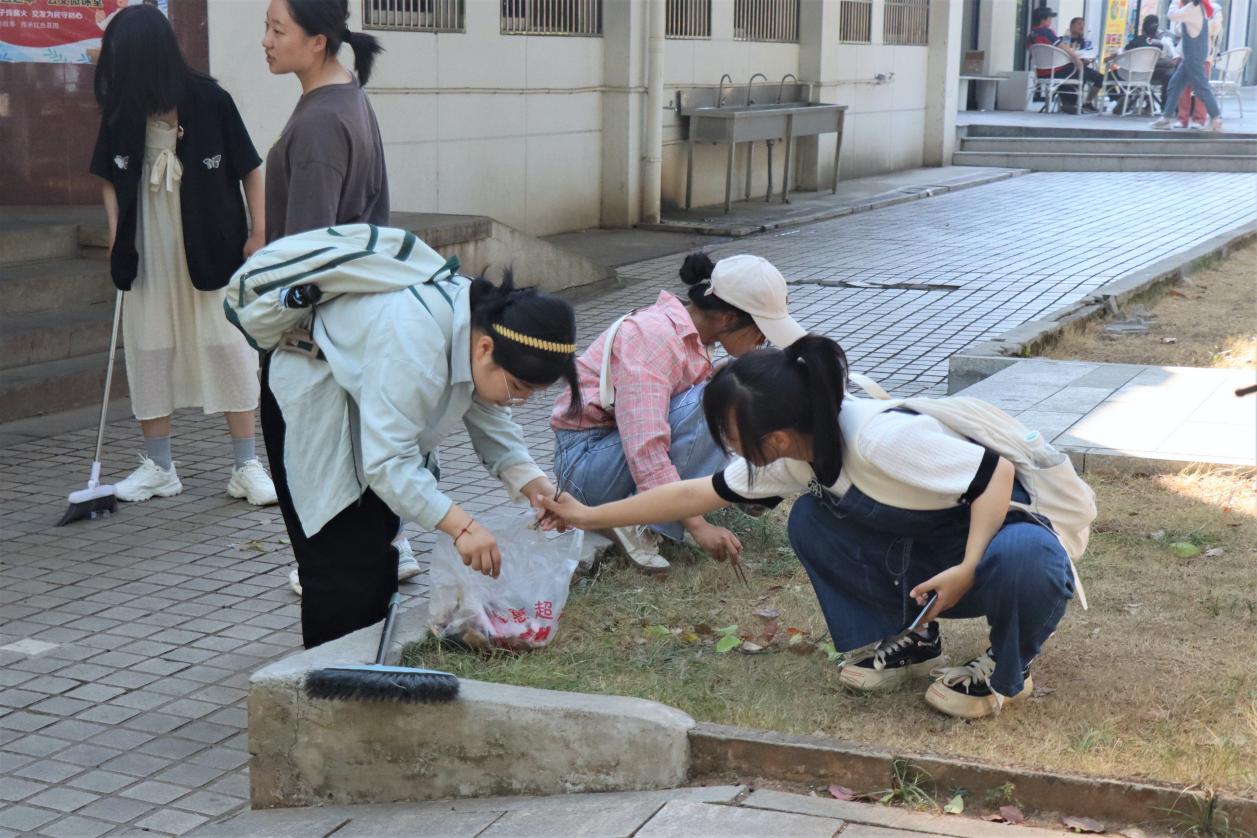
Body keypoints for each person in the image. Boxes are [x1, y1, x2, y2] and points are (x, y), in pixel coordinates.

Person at [540, 336, 1076, 720]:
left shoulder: (877, 439)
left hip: (996, 538)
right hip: (933, 554)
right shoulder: (796, 455)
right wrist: (586, 515)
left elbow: (995, 474)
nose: (727, 446)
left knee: (1029, 557)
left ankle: (1008, 667)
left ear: (773, 436)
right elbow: (691, 493)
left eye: (729, 434)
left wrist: (967, 567)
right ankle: (913, 640)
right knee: (812, 519)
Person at [262, 264, 580, 649]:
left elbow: (489, 412)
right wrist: (462, 527)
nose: (520, 400)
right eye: (518, 387)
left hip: (369, 416)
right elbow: (389, 463)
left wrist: (536, 486)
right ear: (485, 349)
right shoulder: (416, 341)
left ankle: (365, 668)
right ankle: (329, 678)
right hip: (314, 407)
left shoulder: (482, 323)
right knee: (341, 572)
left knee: (377, 560)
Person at [90, 5, 277, 507]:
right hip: (147, 247)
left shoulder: (211, 100)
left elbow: (250, 169)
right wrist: (115, 237)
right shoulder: (123, 111)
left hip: (211, 244)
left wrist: (258, 233)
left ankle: (246, 465)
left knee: (227, 344)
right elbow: (108, 178)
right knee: (149, 345)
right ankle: (160, 467)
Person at [260, 0, 417, 588]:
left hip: (317, 332)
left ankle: (336, 574)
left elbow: (307, 257)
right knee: (348, 454)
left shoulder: (322, 122)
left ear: (318, 41)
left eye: (278, 29)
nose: (266, 41)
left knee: (309, 459)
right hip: (348, 322)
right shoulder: (345, 97)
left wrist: (280, 327)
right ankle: (378, 552)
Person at [551, 253, 806, 572]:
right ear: (728, 318)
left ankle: (723, 493)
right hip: (586, 469)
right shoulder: (653, 338)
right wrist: (698, 526)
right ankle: (641, 522)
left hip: (608, 455)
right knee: (722, 393)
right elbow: (645, 448)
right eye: (760, 330)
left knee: (733, 383)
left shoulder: (692, 335)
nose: (763, 341)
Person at [1152, 0, 1223, 131]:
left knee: (1201, 87)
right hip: (1191, 54)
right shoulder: (1199, 7)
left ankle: (1216, 118)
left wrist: (1175, 2)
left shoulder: (1193, 8)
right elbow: (1179, 29)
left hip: (1194, 55)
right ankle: (1166, 118)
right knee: (1175, 84)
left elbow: (1172, 15)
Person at [1027, 9, 1103, 113]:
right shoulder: (1046, 31)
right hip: (1054, 71)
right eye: (1049, 18)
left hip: (1041, 72)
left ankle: (1069, 103)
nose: (1050, 21)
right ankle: (1071, 103)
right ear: (1043, 20)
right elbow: (1062, 46)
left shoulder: (1031, 35)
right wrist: (1077, 59)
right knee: (1080, 72)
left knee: (1073, 70)